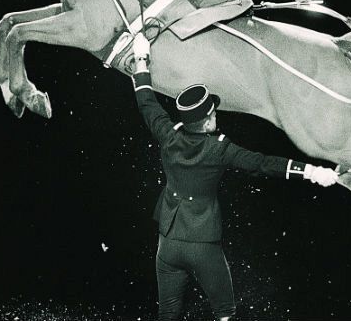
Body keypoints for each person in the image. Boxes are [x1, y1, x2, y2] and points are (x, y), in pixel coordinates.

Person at [130, 32, 338, 321]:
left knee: (167, 313)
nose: (217, 116)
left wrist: (141, 57)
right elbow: (262, 163)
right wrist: (312, 172)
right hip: (203, 245)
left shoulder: (168, 135)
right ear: (205, 122)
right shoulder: (219, 149)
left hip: (168, 243)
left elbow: (146, 103)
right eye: (213, 114)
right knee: (225, 312)